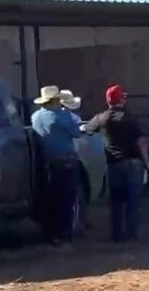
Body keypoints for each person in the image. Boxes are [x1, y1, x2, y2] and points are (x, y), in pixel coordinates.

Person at [82, 84, 149, 242]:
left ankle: (116, 235)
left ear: (108, 100)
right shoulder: (131, 118)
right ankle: (132, 233)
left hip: (114, 164)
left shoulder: (102, 118)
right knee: (134, 201)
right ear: (122, 99)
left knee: (116, 202)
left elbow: (85, 129)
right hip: (133, 163)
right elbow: (141, 142)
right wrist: (147, 163)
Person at [31, 86, 81, 247]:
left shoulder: (35, 117)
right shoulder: (62, 116)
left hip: (46, 162)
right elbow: (76, 133)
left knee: (51, 199)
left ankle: (50, 234)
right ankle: (63, 234)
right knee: (66, 199)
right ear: (55, 100)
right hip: (65, 161)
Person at [59, 90, 92, 232]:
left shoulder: (51, 117)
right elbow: (79, 134)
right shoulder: (72, 118)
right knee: (81, 189)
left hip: (60, 156)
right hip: (73, 157)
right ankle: (80, 220)